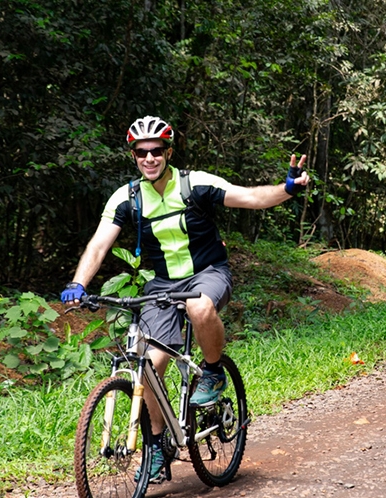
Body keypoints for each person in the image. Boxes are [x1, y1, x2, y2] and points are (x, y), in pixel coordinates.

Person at [60, 116, 309, 483]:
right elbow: (99, 244)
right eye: (142, 152)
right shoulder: (127, 197)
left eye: (156, 151)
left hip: (208, 273)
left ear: (168, 152)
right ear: (134, 155)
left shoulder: (196, 184)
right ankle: (159, 445)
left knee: (198, 306)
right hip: (161, 284)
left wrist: (287, 188)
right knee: (149, 365)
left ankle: (212, 372)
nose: (149, 158)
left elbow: (251, 197)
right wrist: (79, 283)